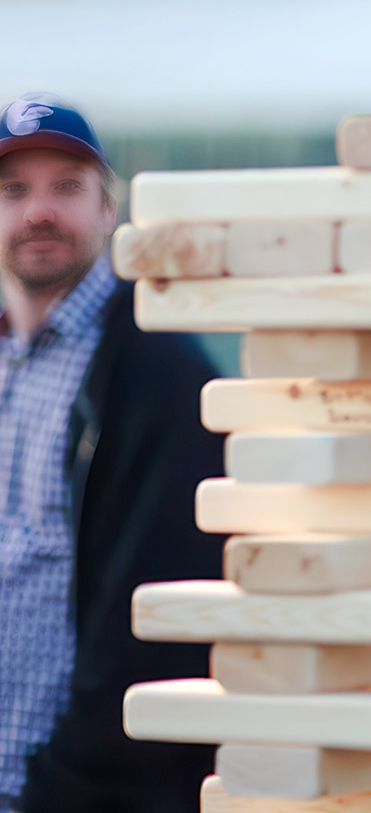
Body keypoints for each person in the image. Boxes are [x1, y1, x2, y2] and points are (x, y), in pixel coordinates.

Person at [0, 95, 224, 812]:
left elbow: (154, 634)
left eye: (66, 187)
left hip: (80, 793)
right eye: (14, 191)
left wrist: (57, 792)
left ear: (108, 209)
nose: (40, 211)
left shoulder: (159, 371)